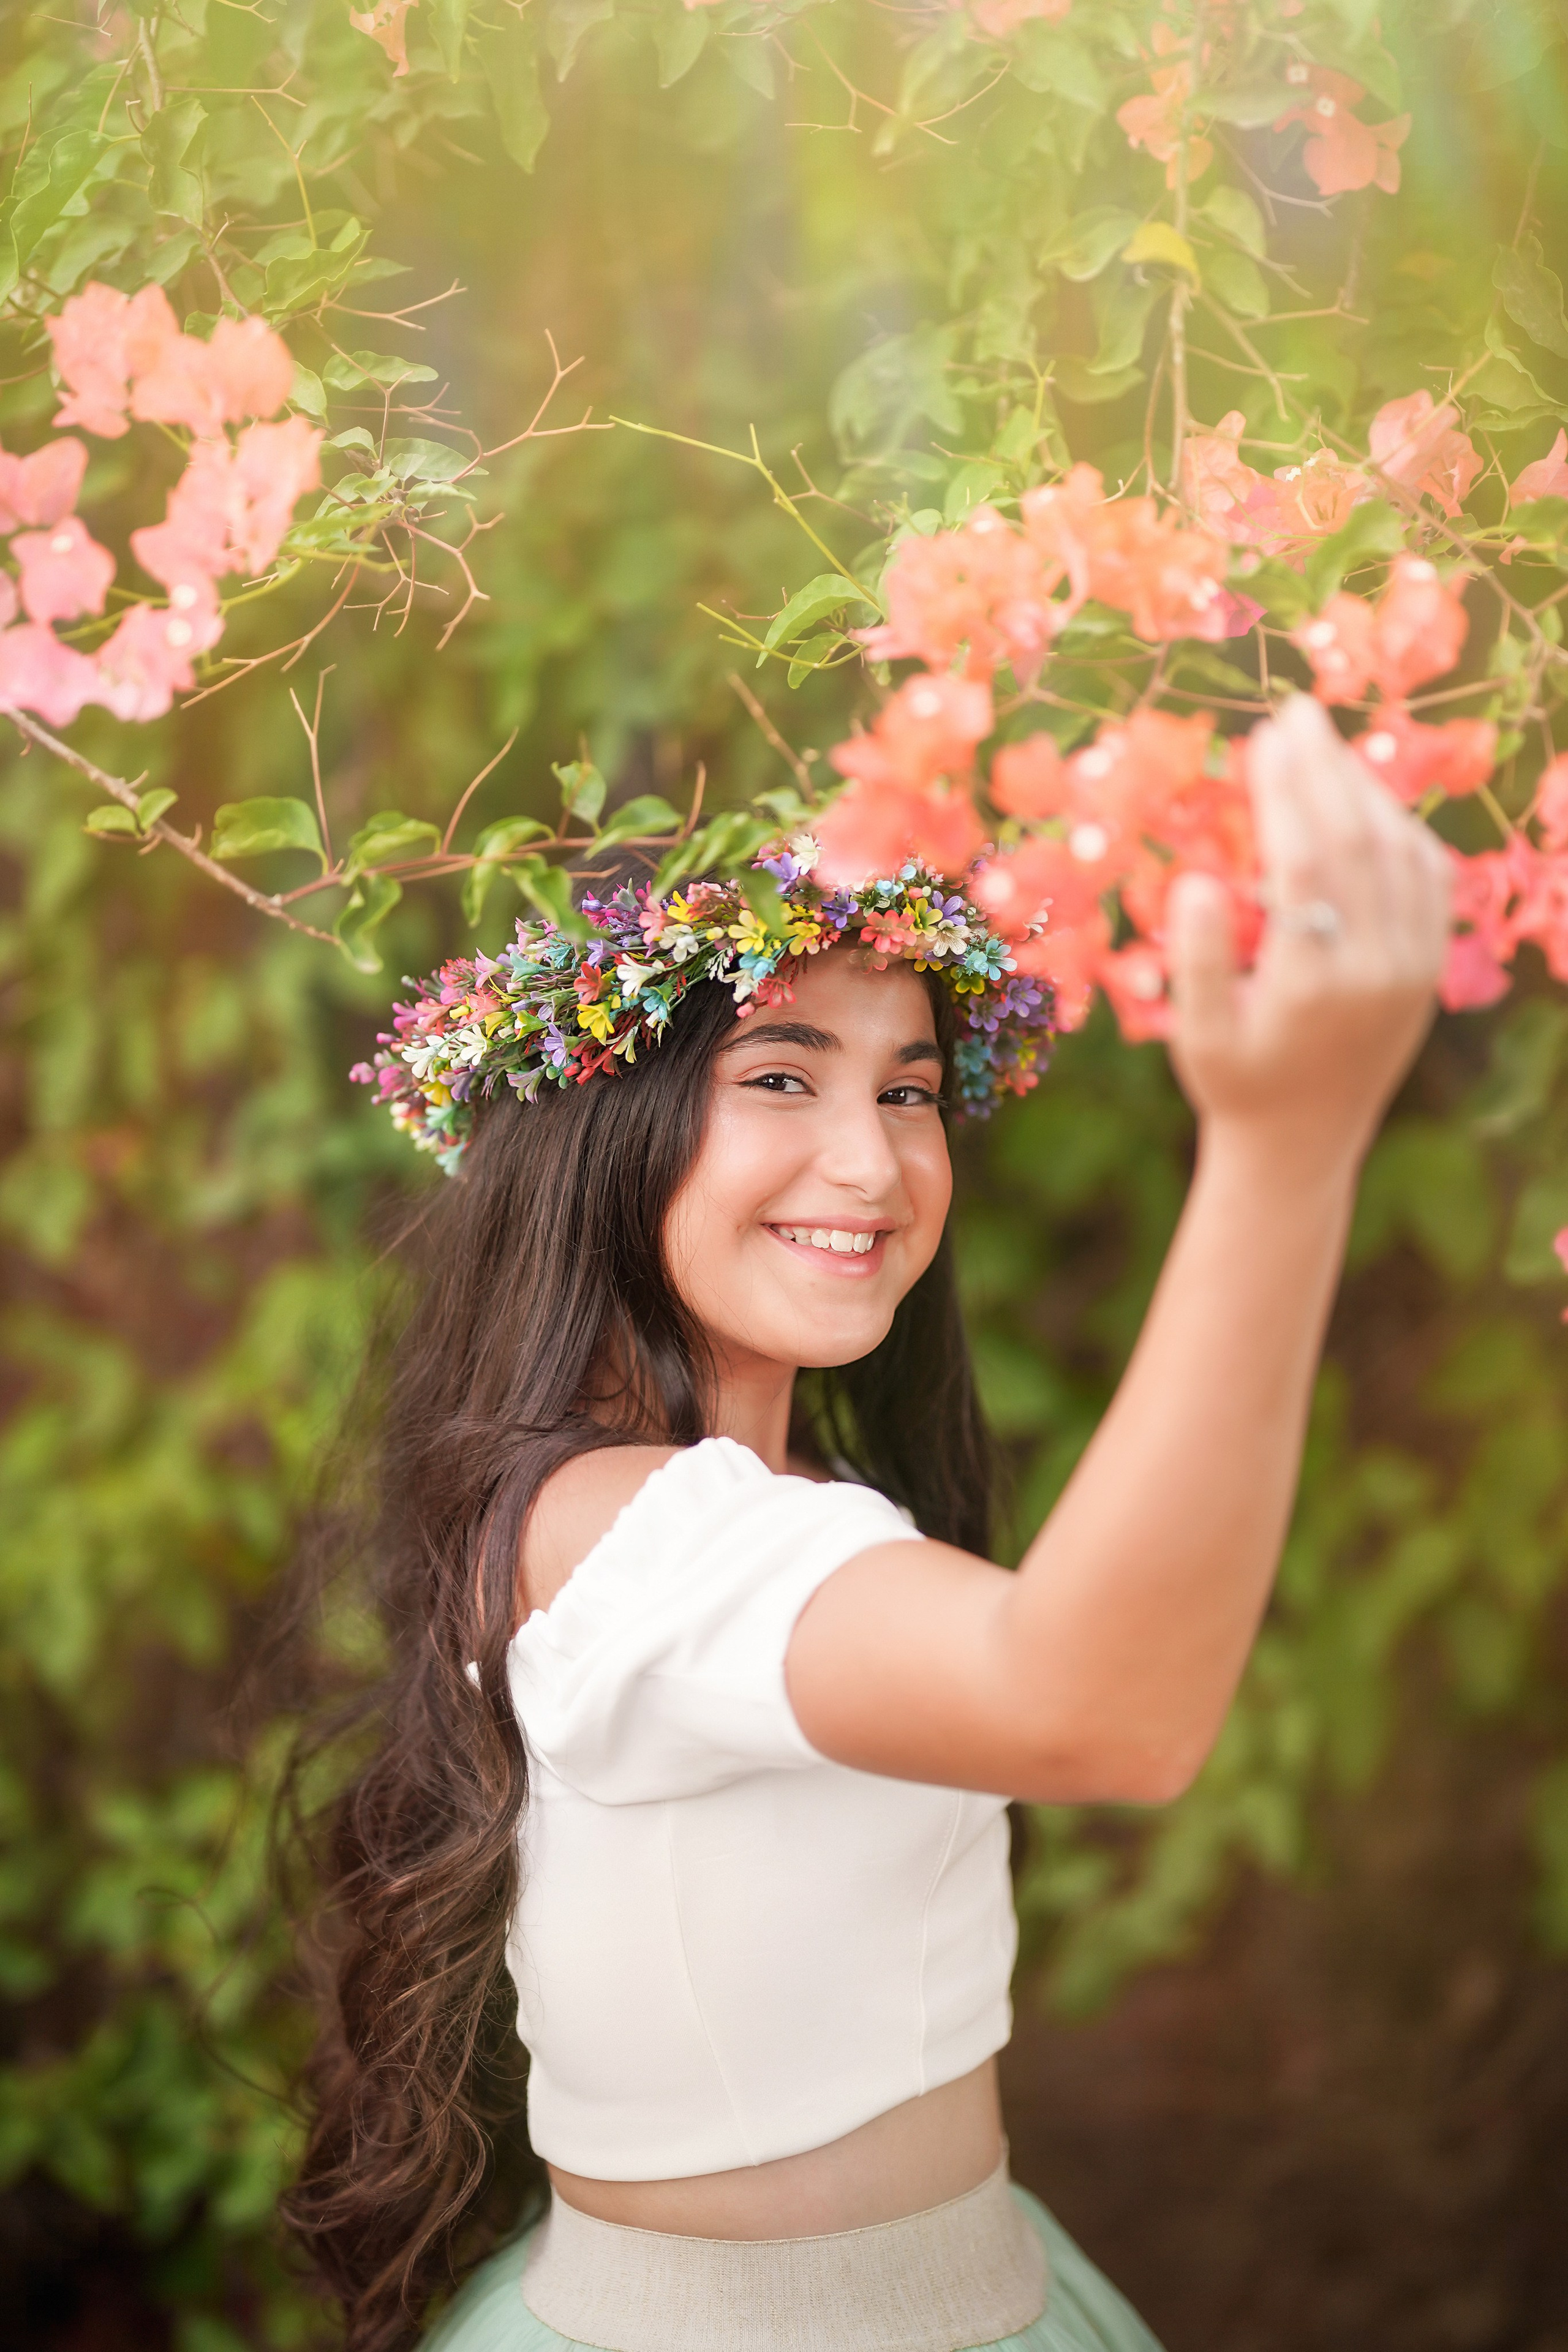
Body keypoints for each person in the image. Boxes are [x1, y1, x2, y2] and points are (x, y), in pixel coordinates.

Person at [283, 694, 1450, 2352]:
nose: (876, 1164)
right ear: (598, 1130)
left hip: (995, 2284)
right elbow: (1099, 1709)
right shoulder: (617, 1538)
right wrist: (1284, 1149)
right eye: (781, 1074)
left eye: (911, 1091)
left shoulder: (807, 1514)